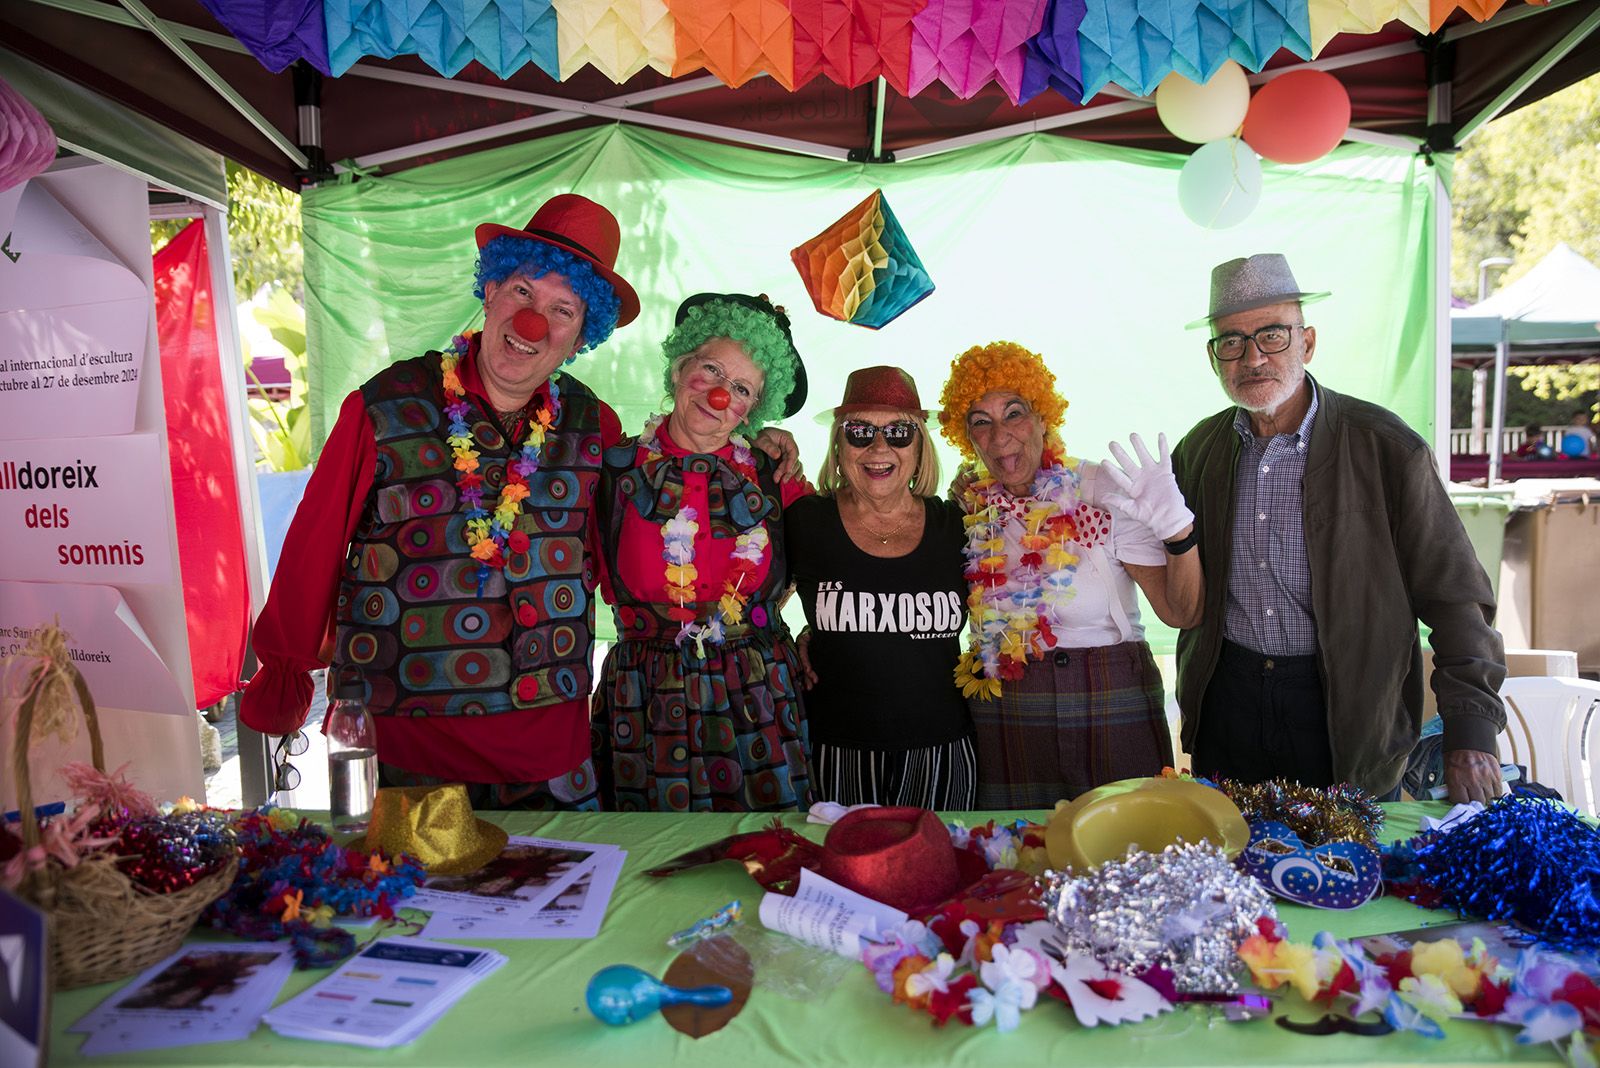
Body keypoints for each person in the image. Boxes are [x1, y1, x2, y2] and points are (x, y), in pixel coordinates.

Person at [241, 197, 798, 810]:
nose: (534, 323)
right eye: (523, 293)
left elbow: (673, 486)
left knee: (565, 898)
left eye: (562, 310)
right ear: (490, 290)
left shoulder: (595, 425)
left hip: (547, 739)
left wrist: (761, 444)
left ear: (582, 335)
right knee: (419, 901)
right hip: (410, 731)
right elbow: (312, 545)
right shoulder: (383, 404)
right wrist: (287, 665)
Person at [1170, 253, 1506, 804]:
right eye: (1231, 341)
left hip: (1346, 718)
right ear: (1214, 358)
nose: (1252, 357)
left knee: (1356, 881)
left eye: (1272, 335)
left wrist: (1471, 731)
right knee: (1231, 879)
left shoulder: (1385, 447)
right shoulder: (1199, 451)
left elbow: (1456, 598)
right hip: (1228, 709)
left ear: (1307, 343)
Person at [936, 342, 1203, 809]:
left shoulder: (1101, 489)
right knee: (1016, 855)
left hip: (1108, 691)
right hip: (1009, 700)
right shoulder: (974, 504)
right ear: (968, 438)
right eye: (981, 421)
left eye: (1014, 413)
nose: (1000, 437)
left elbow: (1181, 611)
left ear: (1044, 417)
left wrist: (1178, 532)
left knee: (1127, 850)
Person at [592, 293, 813, 812]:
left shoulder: (776, 479)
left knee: (764, 853)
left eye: (741, 388)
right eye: (711, 369)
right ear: (678, 365)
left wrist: (816, 639)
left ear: (753, 409)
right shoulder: (610, 471)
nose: (719, 396)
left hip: (758, 694)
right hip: (644, 698)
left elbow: (840, 567)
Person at [786, 366, 977, 809]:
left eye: (898, 432)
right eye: (859, 432)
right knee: (842, 875)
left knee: (938, 871)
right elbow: (753, 600)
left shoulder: (958, 524)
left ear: (919, 447)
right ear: (838, 444)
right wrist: (788, 644)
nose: (878, 447)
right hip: (837, 748)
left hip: (943, 748)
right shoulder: (806, 521)